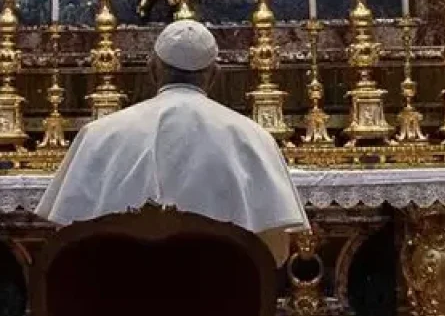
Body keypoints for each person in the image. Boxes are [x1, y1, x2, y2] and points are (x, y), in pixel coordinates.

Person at [36, 20, 308, 266]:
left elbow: (68, 239)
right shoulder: (253, 137)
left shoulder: (97, 135)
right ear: (214, 75)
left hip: (117, 303)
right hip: (218, 305)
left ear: (152, 69)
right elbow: (273, 252)